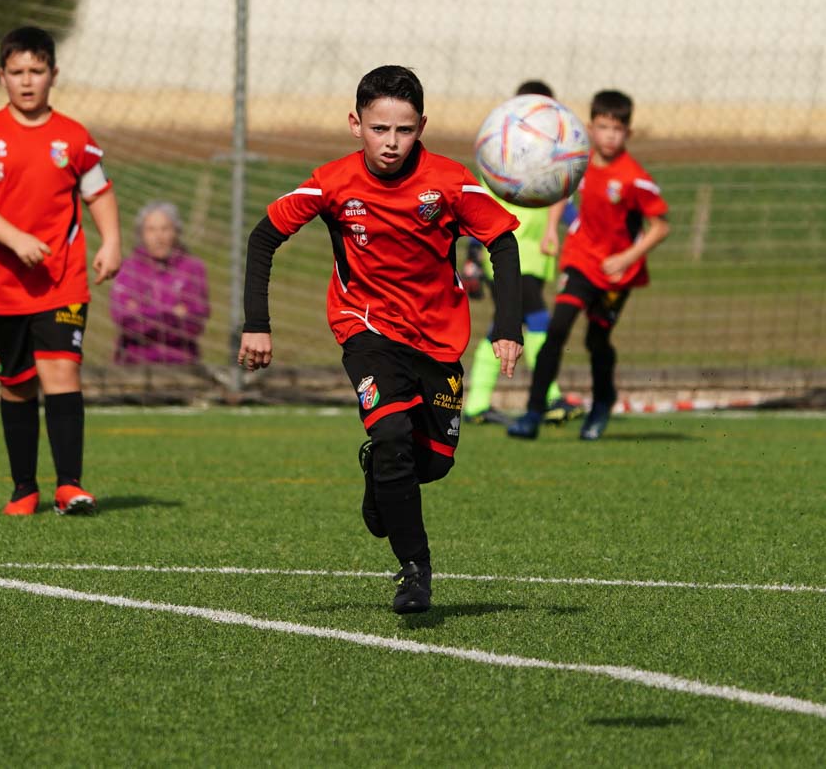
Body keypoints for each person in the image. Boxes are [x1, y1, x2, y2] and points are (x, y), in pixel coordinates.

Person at [239, 65, 523, 614]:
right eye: (378, 129)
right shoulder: (331, 182)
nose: (390, 143)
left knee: (432, 463)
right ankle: (415, 570)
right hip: (365, 327)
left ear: (421, 126)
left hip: (438, 338)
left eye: (404, 130)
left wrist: (507, 329)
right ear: (355, 124)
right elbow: (263, 237)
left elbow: (504, 243)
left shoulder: (450, 181)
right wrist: (257, 323)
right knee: (392, 431)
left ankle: (380, 475)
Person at [0, 26, 121, 516]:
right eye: (17, 72)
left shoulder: (74, 138)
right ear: (2, 77)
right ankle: (24, 488)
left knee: (61, 370)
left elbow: (99, 192)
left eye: (37, 71)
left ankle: (69, 485)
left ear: (53, 75)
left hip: (61, 279)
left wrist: (111, 241)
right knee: (17, 382)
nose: (27, 81)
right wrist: (16, 239)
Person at [507, 89, 670, 441]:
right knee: (557, 329)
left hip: (616, 273)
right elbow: (562, 191)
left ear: (628, 132)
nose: (610, 134)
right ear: (591, 128)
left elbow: (661, 226)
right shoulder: (577, 161)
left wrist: (627, 257)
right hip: (581, 260)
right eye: (603, 126)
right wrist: (552, 228)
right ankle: (533, 413)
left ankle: (602, 402)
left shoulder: (634, 177)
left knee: (597, 340)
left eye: (617, 128)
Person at [462, 80, 580, 426]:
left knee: (501, 327)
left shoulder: (550, 164)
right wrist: (471, 257)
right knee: (540, 321)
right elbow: (478, 212)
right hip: (505, 259)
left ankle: (477, 405)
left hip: (534, 259)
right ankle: (548, 396)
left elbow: (567, 210)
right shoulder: (501, 160)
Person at [110, 201, 210, 365]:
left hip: (181, 363)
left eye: (165, 229)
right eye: (151, 229)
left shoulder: (193, 268)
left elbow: (194, 323)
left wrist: (143, 312)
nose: (158, 236)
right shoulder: (128, 268)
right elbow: (124, 319)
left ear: (176, 232)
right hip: (132, 363)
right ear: (141, 234)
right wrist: (172, 313)